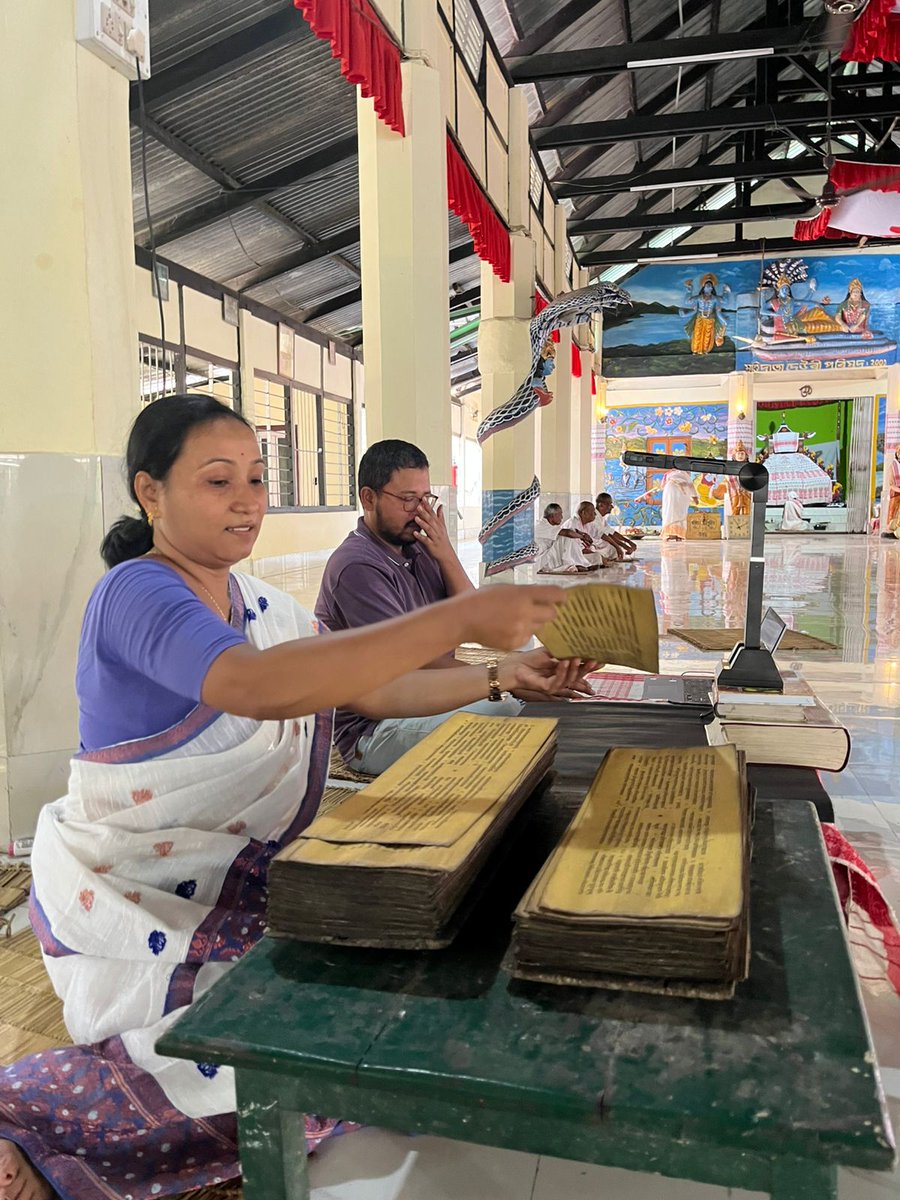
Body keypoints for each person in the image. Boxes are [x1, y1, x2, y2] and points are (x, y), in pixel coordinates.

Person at [0, 396, 589, 1200]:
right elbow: (255, 687)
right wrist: (467, 615)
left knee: (378, 1003)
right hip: (138, 912)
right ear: (150, 492)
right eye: (217, 481)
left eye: (254, 477)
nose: (247, 499)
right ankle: (31, 1124)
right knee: (289, 1045)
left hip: (244, 896)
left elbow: (371, 684)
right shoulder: (136, 594)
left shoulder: (257, 608)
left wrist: (499, 672)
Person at [316, 442, 591, 774]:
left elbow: (481, 619)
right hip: (377, 727)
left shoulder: (418, 548)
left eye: (426, 499)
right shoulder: (357, 567)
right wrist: (504, 678)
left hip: (428, 698)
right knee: (508, 717)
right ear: (369, 498)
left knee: (518, 703)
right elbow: (415, 660)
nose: (420, 511)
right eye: (407, 500)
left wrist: (445, 553)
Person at [535, 503, 594, 574]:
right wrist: (583, 537)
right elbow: (568, 533)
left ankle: (576, 564)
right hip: (541, 559)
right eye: (560, 514)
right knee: (567, 537)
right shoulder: (542, 525)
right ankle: (571, 565)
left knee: (569, 535)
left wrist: (581, 534)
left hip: (549, 556)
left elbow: (570, 531)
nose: (562, 517)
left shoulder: (549, 525)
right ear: (553, 516)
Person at [562, 501, 617, 567]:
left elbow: (601, 534)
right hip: (572, 555)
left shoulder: (588, 523)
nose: (595, 514)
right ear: (584, 513)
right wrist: (594, 553)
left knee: (610, 549)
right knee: (597, 557)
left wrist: (617, 547)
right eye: (593, 512)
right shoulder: (573, 523)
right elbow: (576, 549)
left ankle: (600, 561)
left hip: (586, 551)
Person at [594, 493, 637, 560]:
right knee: (614, 550)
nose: (612, 507)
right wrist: (622, 546)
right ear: (601, 505)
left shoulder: (601, 518)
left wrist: (628, 541)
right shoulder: (594, 517)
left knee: (615, 550)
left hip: (600, 545)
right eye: (609, 504)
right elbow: (605, 536)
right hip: (594, 545)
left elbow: (611, 532)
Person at [660, 470, 698, 541]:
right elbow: (690, 485)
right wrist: (695, 497)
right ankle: (678, 535)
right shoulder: (683, 473)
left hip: (669, 491)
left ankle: (669, 534)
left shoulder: (670, 474)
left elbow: (662, 486)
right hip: (678, 493)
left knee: (668, 512)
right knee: (680, 513)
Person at [886, 446, 900, 536]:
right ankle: (893, 532)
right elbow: (891, 484)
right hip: (896, 493)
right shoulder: (893, 466)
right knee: (892, 515)